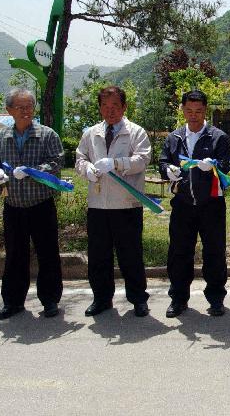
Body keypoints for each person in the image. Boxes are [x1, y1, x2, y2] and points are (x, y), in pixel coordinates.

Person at [0, 88, 65, 320]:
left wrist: (32, 171)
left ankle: (50, 300)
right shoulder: (2, 136)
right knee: (14, 255)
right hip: (13, 205)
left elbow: (56, 163)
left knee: (48, 253)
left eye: (29, 107)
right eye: (20, 107)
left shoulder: (47, 134)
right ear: (9, 110)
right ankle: (12, 302)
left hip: (40, 204)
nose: (25, 111)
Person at [76, 86, 151, 318]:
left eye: (115, 106)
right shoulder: (91, 133)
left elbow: (143, 159)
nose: (110, 111)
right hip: (98, 204)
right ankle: (101, 298)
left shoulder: (136, 132)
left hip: (126, 204)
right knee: (99, 255)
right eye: (105, 107)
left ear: (124, 107)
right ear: (99, 108)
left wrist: (117, 163)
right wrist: (86, 169)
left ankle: (138, 298)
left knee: (130, 254)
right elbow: (80, 157)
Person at [159, 89, 230, 318]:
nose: (194, 115)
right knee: (179, 253)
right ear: (182, 110)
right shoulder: (174, 137)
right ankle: (179, 299)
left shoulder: (217, 136)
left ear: (205, 111)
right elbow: (162, 162)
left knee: (214, 252)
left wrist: (214, 165)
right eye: (189, 110)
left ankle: (216, 299)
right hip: (182, 204)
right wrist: (168, 170)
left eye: (199, 111)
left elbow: (227, 163)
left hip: (211, 204)